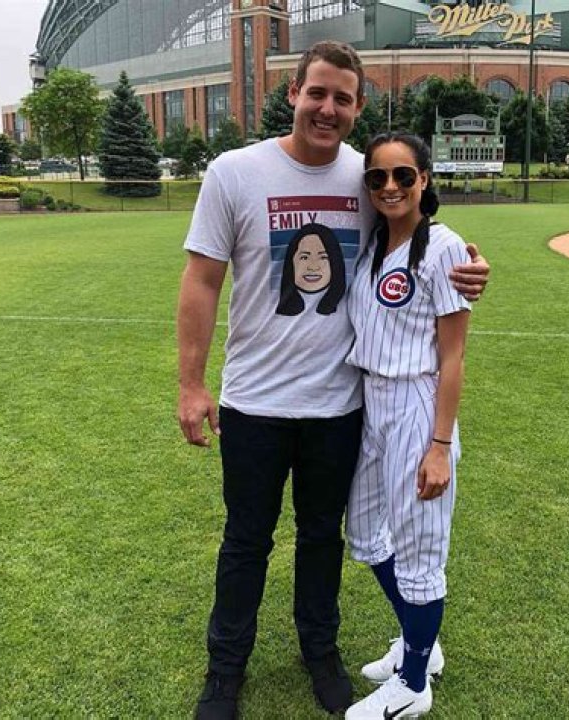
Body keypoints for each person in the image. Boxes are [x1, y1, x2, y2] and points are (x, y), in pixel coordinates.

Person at [177, 41, 489, 720]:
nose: (327, 108)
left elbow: (420, 226)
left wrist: (468, 266)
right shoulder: (235, 172)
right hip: (254, 401)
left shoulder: (367, 176)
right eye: (316, 93)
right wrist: (191, 384)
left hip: (341, 405)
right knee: (246, 541)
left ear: (357, 106)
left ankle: (320, 652)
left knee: (323, 538)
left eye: (342, 98)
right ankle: (225, 671)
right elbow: (202, 280)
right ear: (293, 93)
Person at [344, 133, 471, 719]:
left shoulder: (444, 248)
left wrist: (439, 445)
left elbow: (453, 357)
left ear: (424, 179)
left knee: (419, 551)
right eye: (378, 177)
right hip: (371, 401)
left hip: (417, 404)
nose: (390, 187)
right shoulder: (373, 243)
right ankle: (422, 642)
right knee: (367, 533)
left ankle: (414, 682)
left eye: (402, 175)